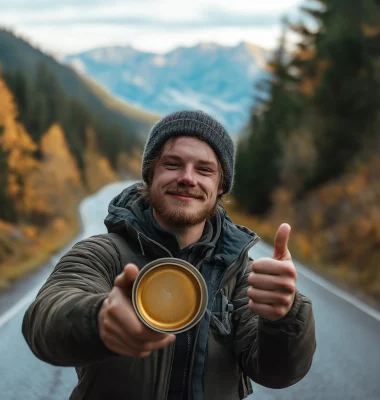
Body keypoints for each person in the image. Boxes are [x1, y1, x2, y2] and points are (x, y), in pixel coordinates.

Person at [22, 110, 316, 400]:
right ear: (150, 174)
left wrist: (284, 315)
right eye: (173, 164)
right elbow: (45, 321)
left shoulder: (240, 275)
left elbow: (278, 373)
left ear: (221, 185)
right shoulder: (102, 253)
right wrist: (99, 319)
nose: (188, 178)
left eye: (204, 170)